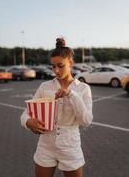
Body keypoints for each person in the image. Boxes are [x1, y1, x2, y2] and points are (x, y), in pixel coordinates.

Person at [20, 37, 93, 177]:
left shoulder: (83, 88)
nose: (56, 70)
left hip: (70, 146)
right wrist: (29, 123)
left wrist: (71, 94)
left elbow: (86, 120)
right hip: (46, 145)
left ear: (71, 63)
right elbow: (26, 114)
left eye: (60, 65)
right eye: (53, 66)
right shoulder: (45, 86)